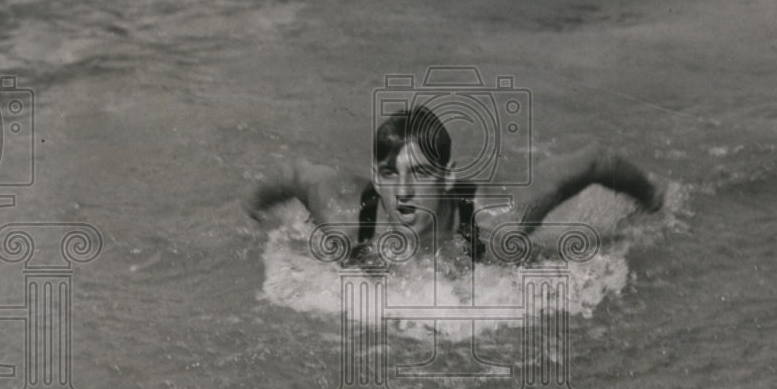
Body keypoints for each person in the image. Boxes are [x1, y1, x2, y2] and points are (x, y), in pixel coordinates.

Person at [248, 105, 662, 266]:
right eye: (391, 175)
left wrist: (654, 202)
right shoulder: (344, 215)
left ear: (447, 177)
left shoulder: (499, 222)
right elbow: (294, 174)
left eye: (421, 173)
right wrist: (253, 213)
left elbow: (594, 160)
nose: (404, 192)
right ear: (376, 176)